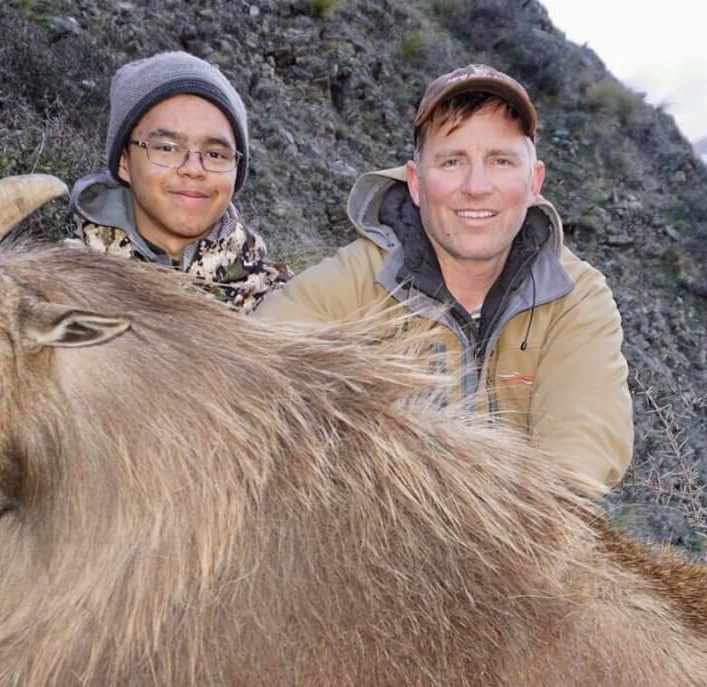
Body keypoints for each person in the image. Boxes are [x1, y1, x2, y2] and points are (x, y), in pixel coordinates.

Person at [255, 64, 631, 495]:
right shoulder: (356, 282)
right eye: (452, 161)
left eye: (501, 161)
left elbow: (579, 457)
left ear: (534, 183)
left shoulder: (574, 296)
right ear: (416, 183)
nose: (476, 186)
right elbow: (253, 377)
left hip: (526, 543)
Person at [69, 51, 288, 312]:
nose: (193, 169)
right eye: (167, 148)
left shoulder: (281, 300)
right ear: (124, 162)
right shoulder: (58, 289)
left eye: (216, 154)